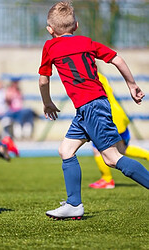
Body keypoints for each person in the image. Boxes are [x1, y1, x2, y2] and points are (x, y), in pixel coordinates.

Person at [38, 1, 149, 220]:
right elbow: (117, 58)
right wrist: (132, 84)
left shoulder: (49, 47)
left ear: (50, 30)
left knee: (112, 158)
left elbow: (43, 81)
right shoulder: (87, 42)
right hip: (89, 107)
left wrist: (47, 102)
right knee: (66, 150)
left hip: (91, 106)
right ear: (76, 25)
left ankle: (74, 204)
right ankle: (74, 205)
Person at [89, 73, 149, 189]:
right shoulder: (99, 75)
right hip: (119, 114)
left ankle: (107, 180)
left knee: (97, 148)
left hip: (109, 116)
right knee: (122, 149)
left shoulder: (91, 76)